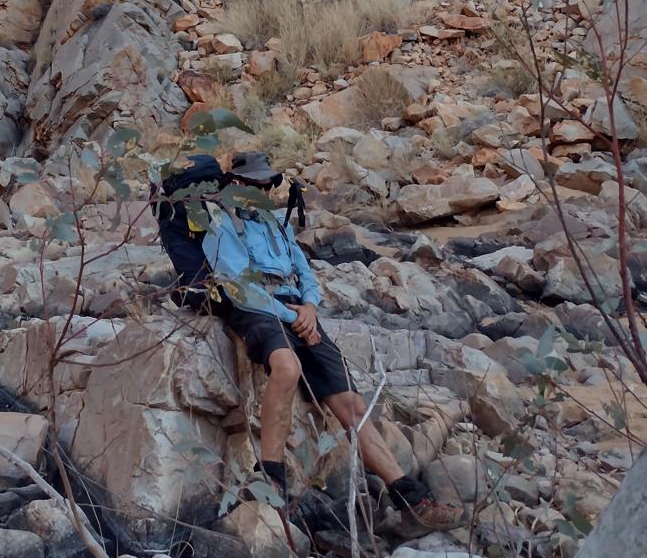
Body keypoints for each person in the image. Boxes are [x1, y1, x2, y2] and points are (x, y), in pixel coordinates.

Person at [159, 151, 463, 538]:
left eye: (266, 184)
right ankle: (269, 478)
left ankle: (409, 499)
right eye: (253, 184)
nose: (261, 191)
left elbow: (303, 270)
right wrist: (295, 318)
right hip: (253, 307)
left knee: (350, 404)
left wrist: (311, 309)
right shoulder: (221, 222)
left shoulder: (274, 222)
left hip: (297, 312)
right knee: (286, 367)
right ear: (235, 184)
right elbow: (236, 285)